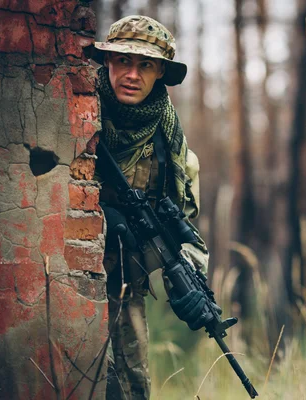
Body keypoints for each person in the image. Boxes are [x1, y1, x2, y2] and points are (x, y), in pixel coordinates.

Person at [84, 15, 211, 400]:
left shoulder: (170, 141)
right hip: (76, 280)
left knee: (132, 388)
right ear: (107, 62)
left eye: (145, 65)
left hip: (128, 287)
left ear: (160, 74)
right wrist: (104, 214)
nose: (132, 74)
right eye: (123, 61)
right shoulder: (79, 114)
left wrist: (190, 283)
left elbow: (179, 223)